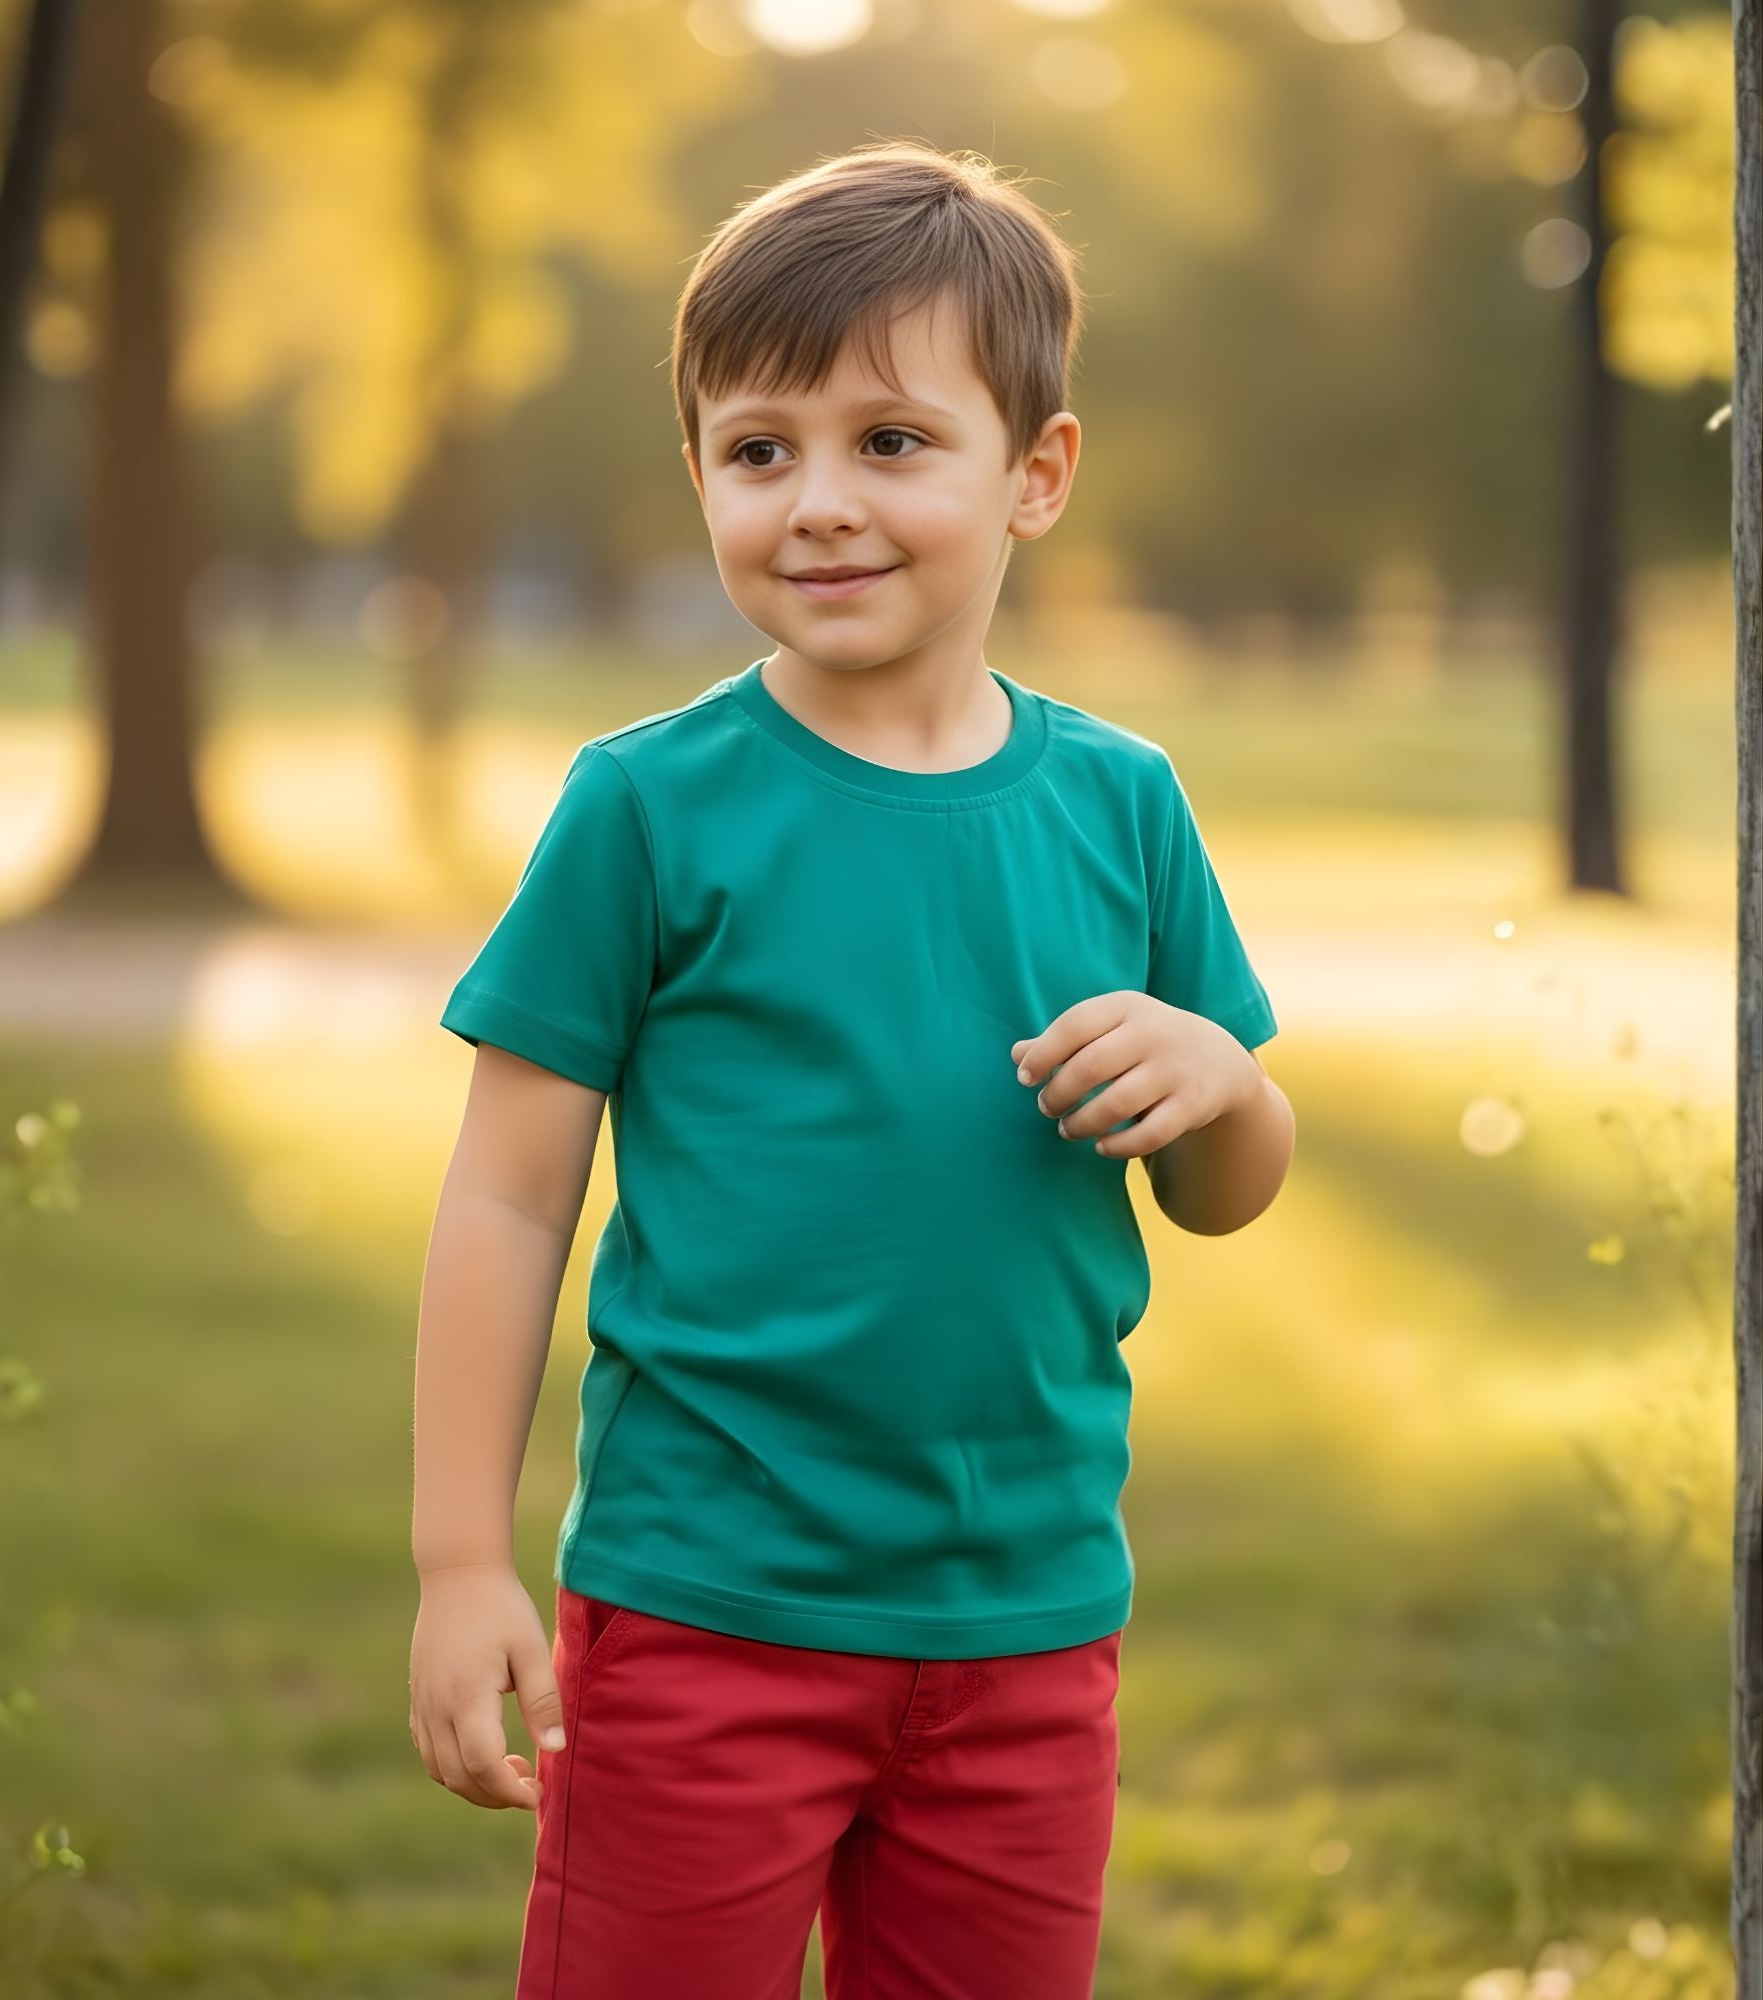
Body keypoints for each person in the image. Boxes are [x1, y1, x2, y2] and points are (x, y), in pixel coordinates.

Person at [408, 137, 1297, 2000]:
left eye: (890, 441)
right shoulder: (649, 807)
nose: (817, 501)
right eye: (759, 449)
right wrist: (456, 1562)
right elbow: (506, 1192)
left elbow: (1230, 1186)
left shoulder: (1121, 808)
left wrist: (1219, 1077)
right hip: (702, 1614)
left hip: (1028, 1626)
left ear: (1034, 474)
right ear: (702, 479)